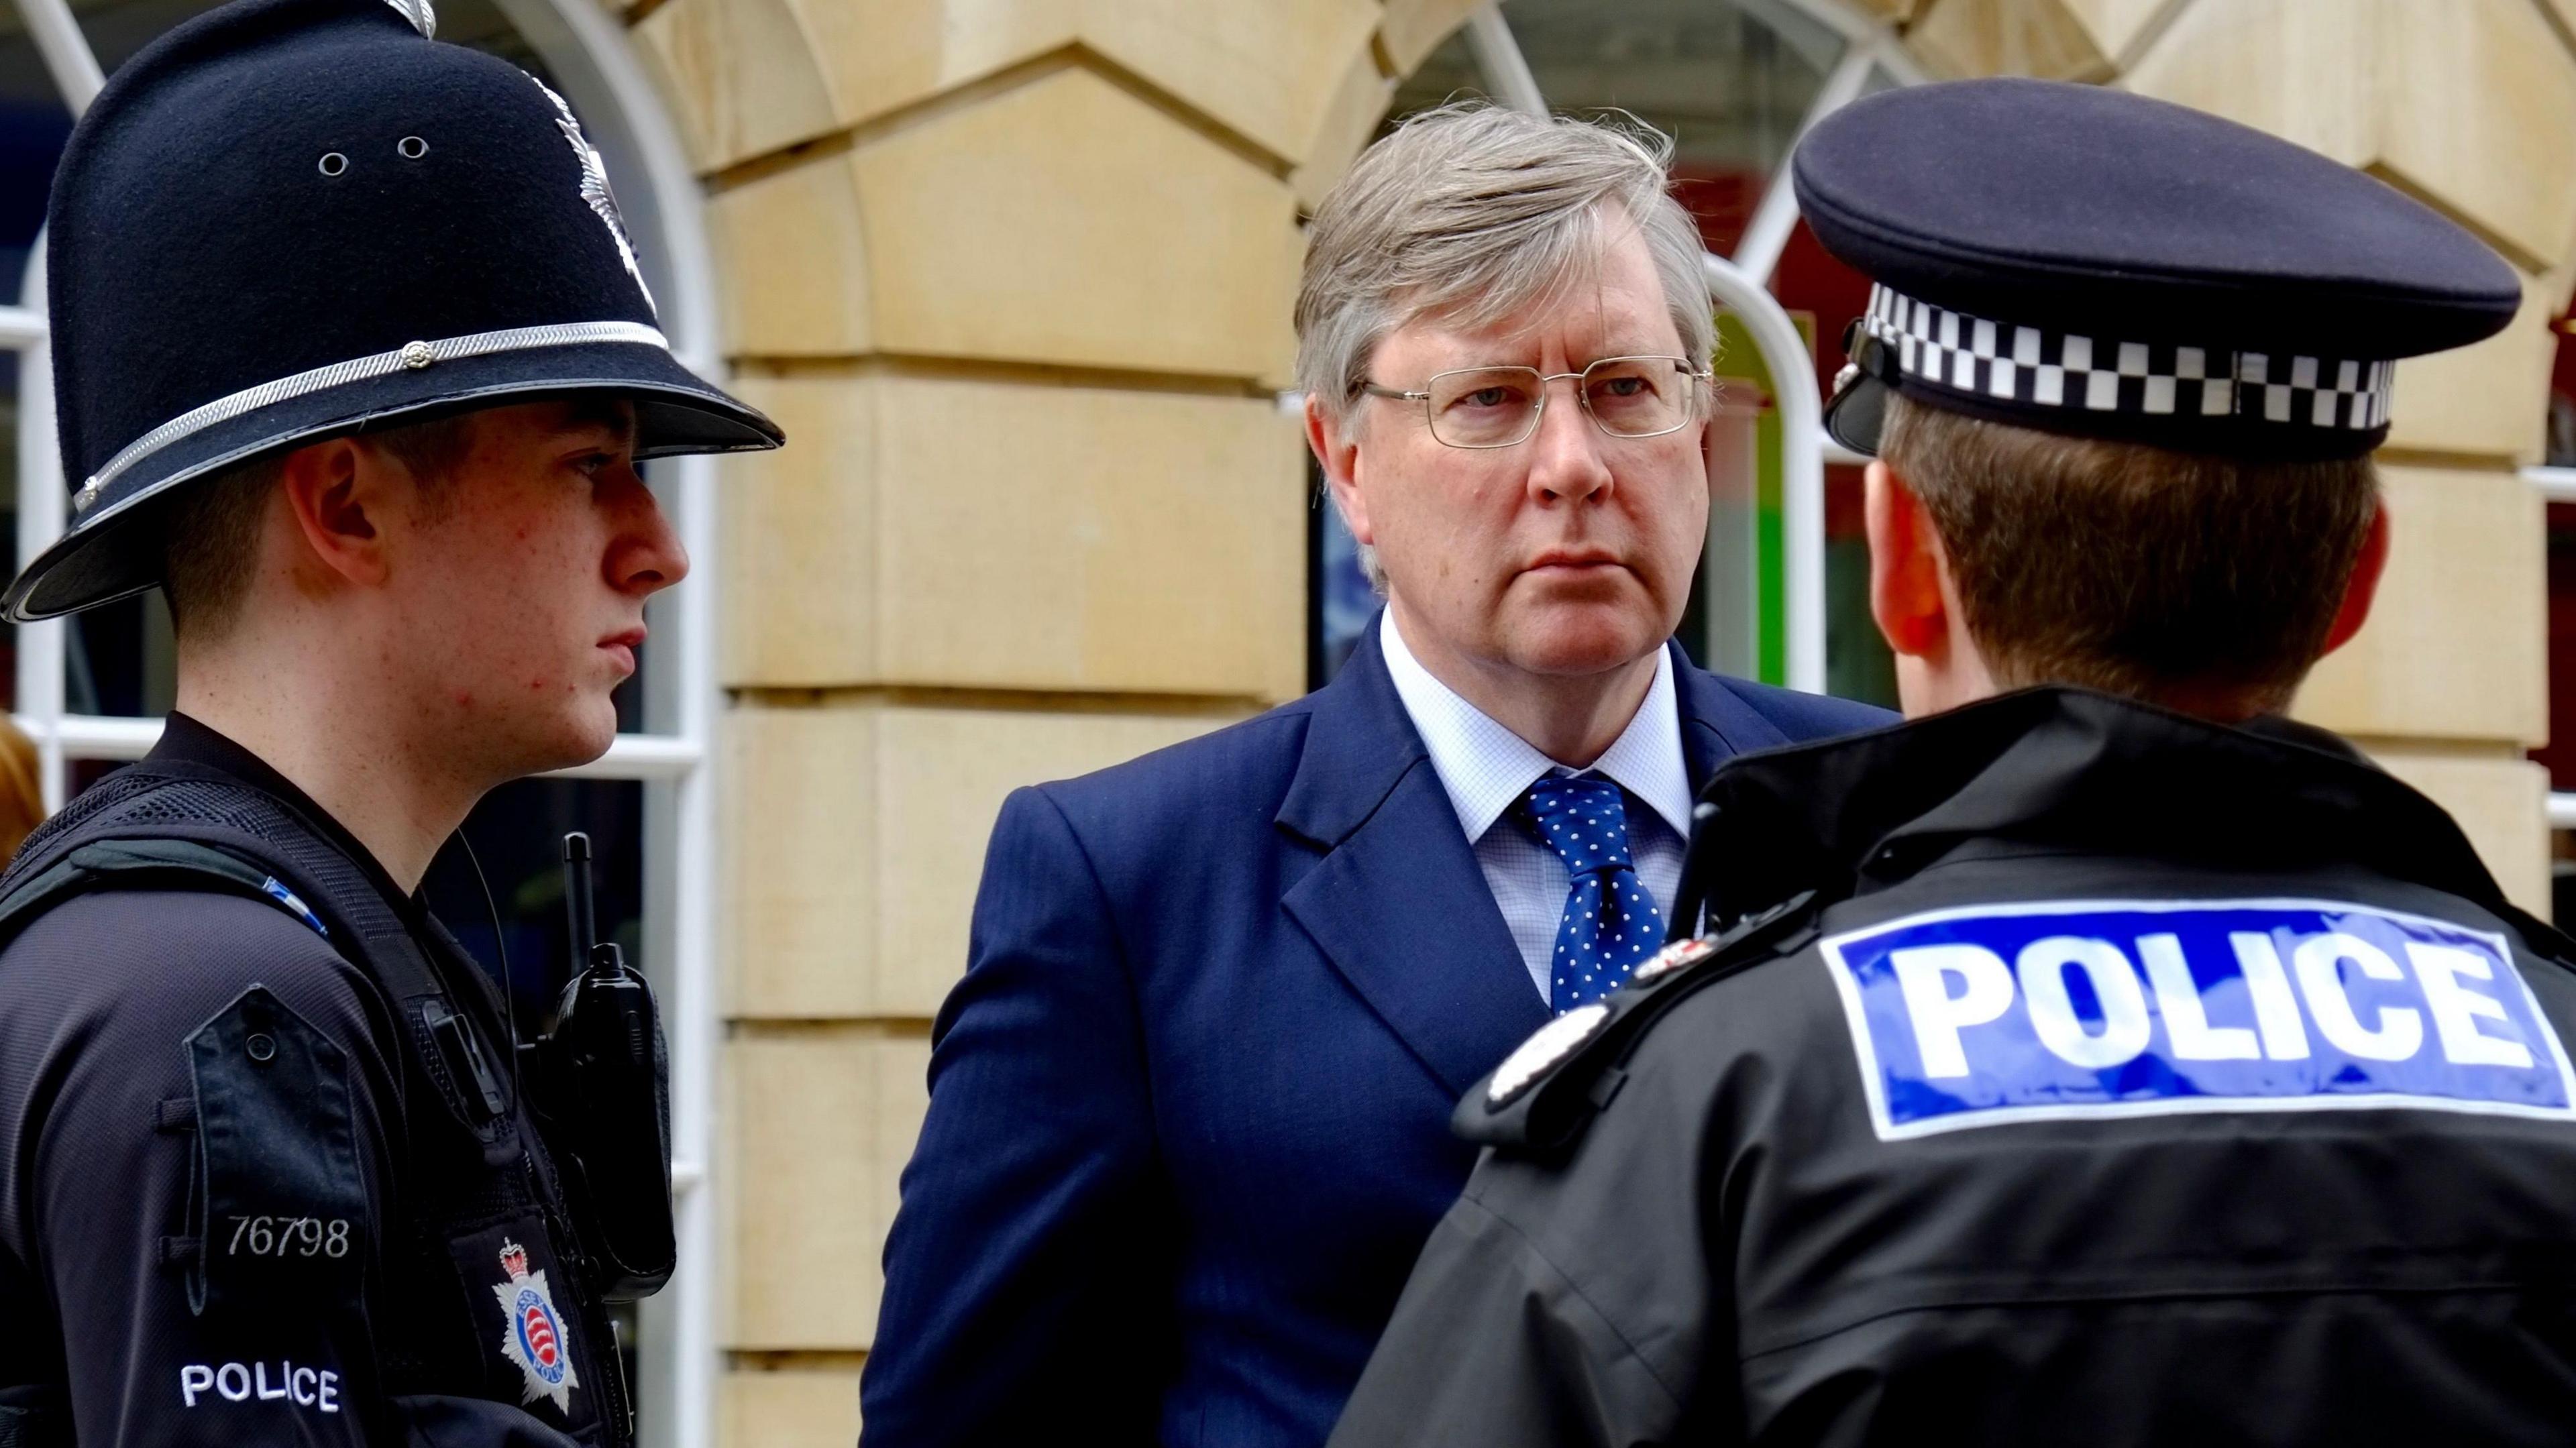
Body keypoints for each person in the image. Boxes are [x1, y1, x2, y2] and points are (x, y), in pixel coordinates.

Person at [1328, 77, 2576, 1448]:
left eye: (1626, 388)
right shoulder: (2551, 1042)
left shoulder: (1729, 1100)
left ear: (1905, 565)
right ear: (2356, 587)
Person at [860, 105, 1890, 1446]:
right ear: (1345, 463)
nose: (1572, 467)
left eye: (1627, 390)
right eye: (1488, 402)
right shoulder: (1129, 883)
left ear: (1699, 430)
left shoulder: (1884, 818)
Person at [0, 0, 782, 1442]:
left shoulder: (309, 955)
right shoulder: (224, 1009)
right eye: (587, 464)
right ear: (348, 505)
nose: (656, 547)